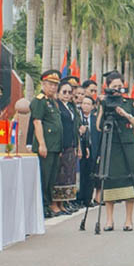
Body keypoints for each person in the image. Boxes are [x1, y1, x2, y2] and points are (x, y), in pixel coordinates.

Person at [98, 71, 134, 231]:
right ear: (107, 87)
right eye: (113, 87)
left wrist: (125, 114)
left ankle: (129, 220)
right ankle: (109, 220)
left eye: (119, 86)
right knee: (109, 180)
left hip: (127, 144)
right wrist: (102, 106)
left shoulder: (130, 102)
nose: (117, 89)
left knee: (129, 180)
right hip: (111, 144)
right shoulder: (104, 103)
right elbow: (98, 126)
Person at [30, 70, 64, 218]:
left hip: (55, 146)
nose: (53, 87)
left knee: (51, 178)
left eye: (56, 85)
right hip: (46, 146)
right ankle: (42, 206)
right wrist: (42, 144)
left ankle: (48, 204)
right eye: (50, 84)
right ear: (43, 84)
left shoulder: (52, 102)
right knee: (43, 177)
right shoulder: (39, 101)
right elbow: (37, 122)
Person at [54, 80, 80, 213]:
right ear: (58, 93)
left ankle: (64, 203)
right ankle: (56, 204)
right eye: (64, 92)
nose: (67, 95)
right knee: (59, 175)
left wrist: (77, 146)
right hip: (61, 145)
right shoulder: (56, 106)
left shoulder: (71, 107)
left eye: (69, 92)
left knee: (69, 175)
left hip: (71, 144)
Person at [77, 95, 99, 207]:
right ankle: (79, 198)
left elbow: (98, 137)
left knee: (91, 175)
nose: (85, 106)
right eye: (84, 103)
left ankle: (88, 199)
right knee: (80, 175)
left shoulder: (95, 120)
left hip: (92, 150)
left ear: (92, 106)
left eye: (88, 104)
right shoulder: (77, 117)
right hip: (80, 149)